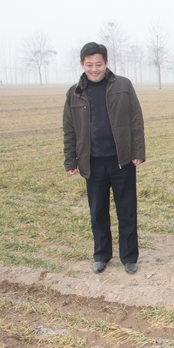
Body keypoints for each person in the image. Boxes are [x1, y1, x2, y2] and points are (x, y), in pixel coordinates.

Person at [63, 42, 145, 275]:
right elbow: (69, 129)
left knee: (127, 211)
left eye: (99, 64)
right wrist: (71, 161)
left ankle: (129, 257)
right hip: (93, 162)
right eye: (89, 65)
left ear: (106, 63)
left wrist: (138, 152)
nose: (94, 69)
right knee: (98, 212)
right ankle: (101, 255)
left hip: (122, 160)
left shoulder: (123, 85)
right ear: (82, 64)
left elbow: (136, 120)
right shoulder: (74, 93)